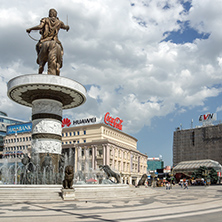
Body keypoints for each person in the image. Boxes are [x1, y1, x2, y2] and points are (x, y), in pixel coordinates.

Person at [26, 9, 69, 75]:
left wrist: (30, 29)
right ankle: (57, 65)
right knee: (61, 50)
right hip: (55, 41)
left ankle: (41, 64)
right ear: (55, 14)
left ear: (50, 14)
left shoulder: (45, 19)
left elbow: (40, 26)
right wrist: (67, 27)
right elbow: (65, 27)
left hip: (44, 40)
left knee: (37, 47)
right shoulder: (59, 22)